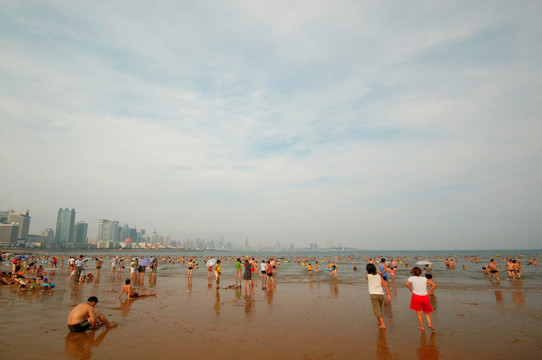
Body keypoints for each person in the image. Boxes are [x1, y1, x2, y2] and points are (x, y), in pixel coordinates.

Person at [406, 267, 436, 331]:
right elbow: (434, 285)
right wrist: (430, 290)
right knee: (426, 312)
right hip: (424, 297)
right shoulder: (424, 278)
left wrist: (410, 288)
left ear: (413, 272)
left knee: (419, 313)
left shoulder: (411, 278)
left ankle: (422, 327)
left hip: (416, 296)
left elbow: (407, 284)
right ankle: (429, 323)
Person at [366, 263, 392, 329]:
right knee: (379, 309)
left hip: (373, 294)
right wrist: (388, 294)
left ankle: (383, 324)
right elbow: (385, 285)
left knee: (377, 310)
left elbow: (369, 279)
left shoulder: (367, 276)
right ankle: (378, 321)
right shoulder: (379, 275)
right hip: (381, 294)